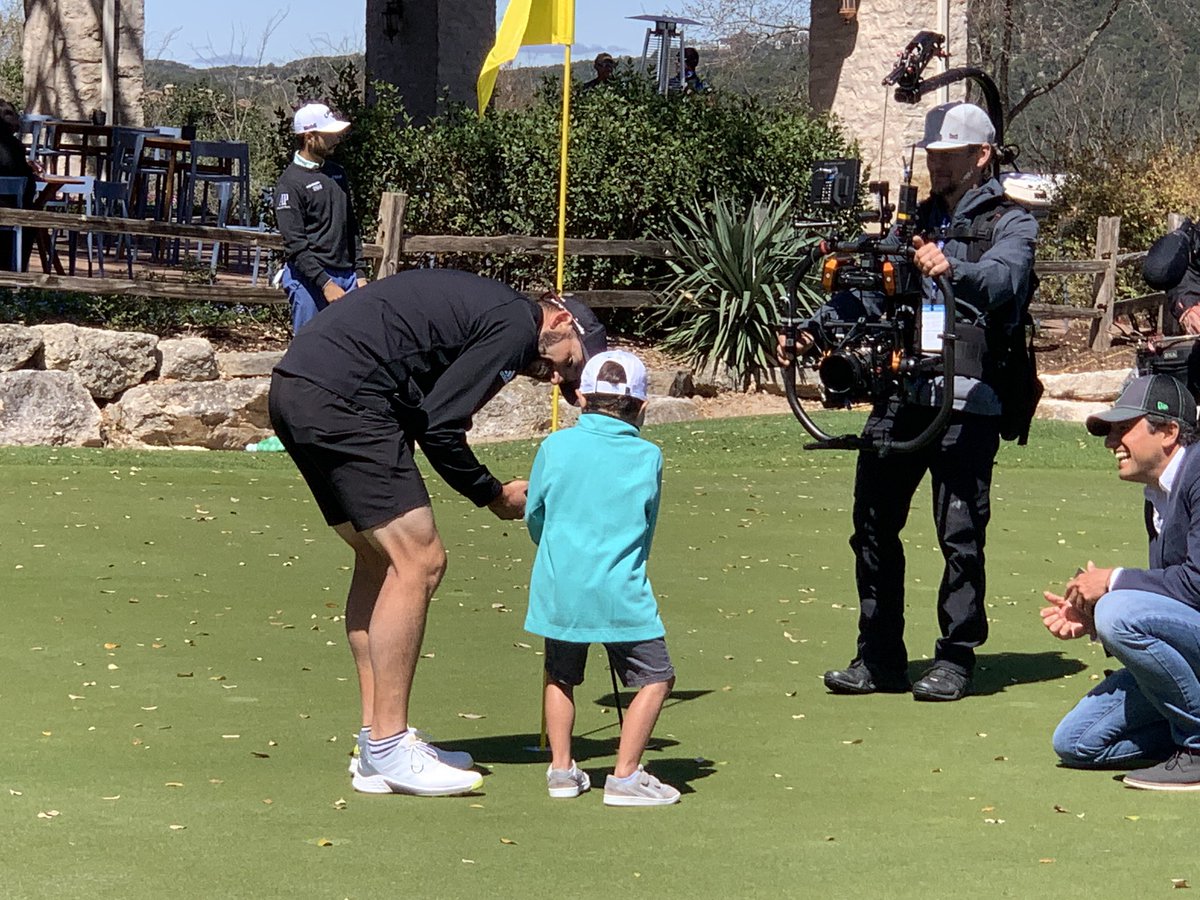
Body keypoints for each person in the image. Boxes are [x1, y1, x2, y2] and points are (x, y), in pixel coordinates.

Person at [268, 269, 606, 796]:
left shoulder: (491, 311)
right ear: (561, 322)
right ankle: (390, 746)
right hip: (345, 397)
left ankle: (374, 743)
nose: (557, 379)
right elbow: (440, 425)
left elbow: (422, 403)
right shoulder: (515, 327)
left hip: (297, 388)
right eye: (568, 365)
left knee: (378, 560)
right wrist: (491, 493)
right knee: (420, 561)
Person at [782, 102, 1039, 701]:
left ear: (981, 156)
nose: (938, 167)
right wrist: (815, 328)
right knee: (871, 524)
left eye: (949, 157)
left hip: (969, 398)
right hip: (902, 392)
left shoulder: (1012, 223)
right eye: (933, 157)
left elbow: (1006, 282)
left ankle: (955, 657)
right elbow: (868, 291)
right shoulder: (910, 222)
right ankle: (878, 657)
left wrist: (954, 267)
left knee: (959, 533)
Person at [524, 349, 680, 806]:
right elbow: (646, 526)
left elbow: (536, 516)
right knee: (657, 677)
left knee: (560, 674)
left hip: (561, 584)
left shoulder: (554, 446)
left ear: (581, 396)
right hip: (620, 589)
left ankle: (560, 770)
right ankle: (626, 775)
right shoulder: (647, 455)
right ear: (642, 406)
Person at [1044, 374, 1200, 790]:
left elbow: (1199, 585)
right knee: (1076, 743)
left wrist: (1112, 583)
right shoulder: (1158, 493)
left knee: (1119, 608)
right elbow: (1177, 597)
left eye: (1122, 428)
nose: (1112, 443)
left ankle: (1197, 747)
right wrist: (1095, 618)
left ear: (1168, 432)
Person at [274, 102, 368, 336]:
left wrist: (360, 273)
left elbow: (350, 226)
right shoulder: (290, 184)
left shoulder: (338, 173)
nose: (335, 139)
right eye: (328, 135)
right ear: (309, 137)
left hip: (347, 277)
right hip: (310, 281)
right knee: (308, 350)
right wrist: (326, 284)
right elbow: (295, 245)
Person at [0, 100, 37, 271]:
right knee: (32, 220)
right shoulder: (15, 148)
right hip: (13, 213)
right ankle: (17, 271)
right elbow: (28, 187)